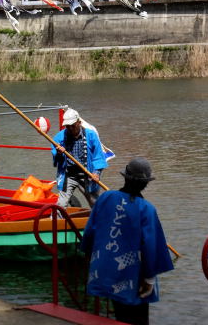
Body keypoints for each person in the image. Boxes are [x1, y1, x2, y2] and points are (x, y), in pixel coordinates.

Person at [81, 158, 174, 325]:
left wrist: (89, 258)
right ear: (146, 183)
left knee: (118, 314)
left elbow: (90, 232)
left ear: (125, 177)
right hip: (130, 277)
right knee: (136, 317)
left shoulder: (106, 197)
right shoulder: (146, 209)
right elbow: (151, 248)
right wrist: (149, 280)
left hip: (104, 270)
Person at [51, 108, 108, 208]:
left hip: (87, 173)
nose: (70, 129)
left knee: (95, 203)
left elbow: (98, 157)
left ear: (79, 123)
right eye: (67, 126)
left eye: (72, 126)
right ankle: (55, 222)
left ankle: (99, 221)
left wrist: (96, 173)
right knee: (61, 204)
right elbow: (57, 160)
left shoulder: (91, 135)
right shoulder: (59, 138)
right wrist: (59, 153)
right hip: (68, 174)